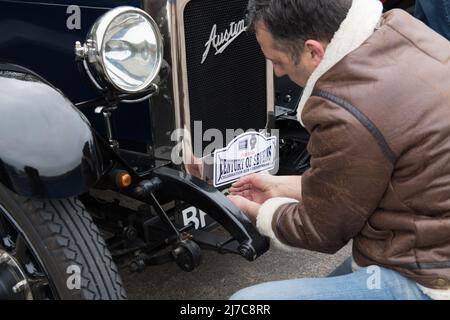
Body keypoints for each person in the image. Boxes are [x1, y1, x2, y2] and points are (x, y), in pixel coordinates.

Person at [228, 0, 450, 300]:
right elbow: (366, 175)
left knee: (247, 303)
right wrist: (280, 185)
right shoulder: (401, 27)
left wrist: (256, 211)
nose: (278, 72)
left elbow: (320, 231)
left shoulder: (345, 108)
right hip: (433, 239)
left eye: (277, 60)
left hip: (431, 276)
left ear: (313, 51)